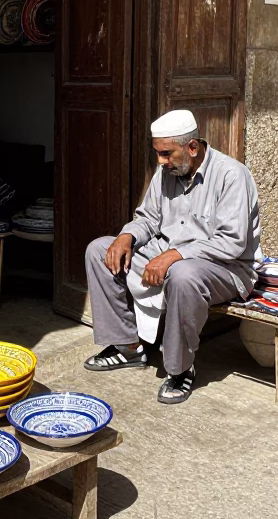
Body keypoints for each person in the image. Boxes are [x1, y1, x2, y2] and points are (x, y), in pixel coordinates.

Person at [83, 109, 261, 404]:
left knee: (183, 274)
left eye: (167, 154)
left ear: (192, 148)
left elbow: (231, 243)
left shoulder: (232, 175)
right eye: (158, 154)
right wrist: (126, 236)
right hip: (167, 257)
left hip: (227, 268)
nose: (160, 161)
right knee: (100, 250)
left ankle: (180, 369)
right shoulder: (166, 173)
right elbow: (149, 219)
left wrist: (173, 256)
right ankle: (128, 347)